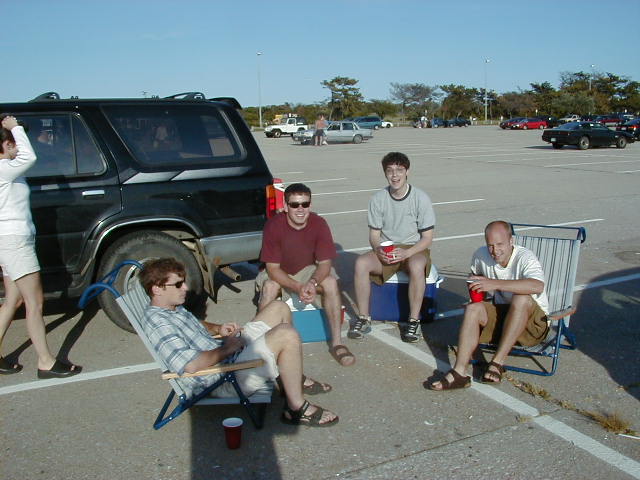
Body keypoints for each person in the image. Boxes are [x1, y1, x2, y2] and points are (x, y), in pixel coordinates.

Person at [140, 258, 338, 427]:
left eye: (183, 282)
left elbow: (194, 324)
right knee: (286, 334)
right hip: (224, 378)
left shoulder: (171, 308)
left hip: (230, 355)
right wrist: (228, 348)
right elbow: (190, 365)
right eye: (178, 284)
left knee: (279, 307)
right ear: (157, 289)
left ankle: (288, 380)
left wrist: (218, 329)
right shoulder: (158, 323)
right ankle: (296, 409)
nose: (185, 287)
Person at [0, 114, 82, 378]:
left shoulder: (8, 169)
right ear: (6, 145)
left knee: (13, 300)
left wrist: (15, 130)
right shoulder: (4, 168)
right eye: (14, 143)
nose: (18, 147)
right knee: (34, 302)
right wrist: (15, 128)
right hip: (14, 242)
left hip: (10, 241)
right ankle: (46, 361)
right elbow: (30, 157)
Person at [428, 220, 550, 390]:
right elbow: (474, 278)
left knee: (521, 299)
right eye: (490, 245)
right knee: (473, 309)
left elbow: (537, 286)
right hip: (504, 319)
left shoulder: (525, 257)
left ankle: (497, 363)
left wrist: (494, 283)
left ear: (511, 241)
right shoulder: (480, 255)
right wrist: (476, 298)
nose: (495, 250)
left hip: (532, 326)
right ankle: (459, 373)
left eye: (500, 244)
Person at [256, 183, 355, 367]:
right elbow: (272, 268)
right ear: (286, 207)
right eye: (294, 205)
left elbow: (325, 263)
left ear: (310, 204)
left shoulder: (319, 224)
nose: (300, 209)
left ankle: (337, 343)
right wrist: (298, 287)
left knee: (331, 283)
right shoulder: (273, 226)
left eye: (305, 204)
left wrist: (312, 282)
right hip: (279, 270)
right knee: (269, 287)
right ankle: (261, 345)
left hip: (306, 269)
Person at [349, 152, 435, 343]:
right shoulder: (378, 198)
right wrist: (379, 250)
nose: (395, 175)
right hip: (388, 248)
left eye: (399, 170)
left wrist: (407, 253)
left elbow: (427, 238)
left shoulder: (420, 198)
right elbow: (374, 235)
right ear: (385, 174)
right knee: (361, 263)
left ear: (407, 172)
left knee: (416, 265)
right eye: (390, 171)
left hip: (413, 248)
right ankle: (364, 317)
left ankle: (413, 321)